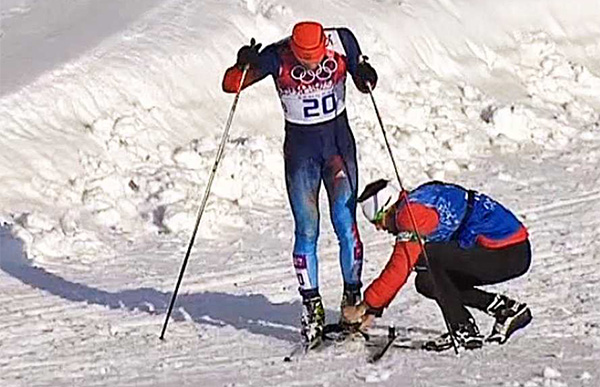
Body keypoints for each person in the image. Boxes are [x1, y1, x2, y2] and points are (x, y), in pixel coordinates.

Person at [222, 21, 378, 347]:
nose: (312, 63)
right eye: (305, 58)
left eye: (317, 55)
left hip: (338, 150)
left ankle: (352, 297)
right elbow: (231, 85)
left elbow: (365, 78)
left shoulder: (342, 40)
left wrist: (365, 77)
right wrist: (243, 62)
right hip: (301, 156)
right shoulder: (278, 55)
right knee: (307, 229)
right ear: (294, 49)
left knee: (345, 223)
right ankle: (312, 307)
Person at [343, 179, 533, 351]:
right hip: (510, 251)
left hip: (508, 252)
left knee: (430, 256)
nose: (379, 228)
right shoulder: (417, 200)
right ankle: (505, 309)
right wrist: (375, 309)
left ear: (388, 209)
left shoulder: (409, 215)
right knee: (426, 280)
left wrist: (365, 305)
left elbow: (400, 267)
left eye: (378, 221)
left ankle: (462, 329)